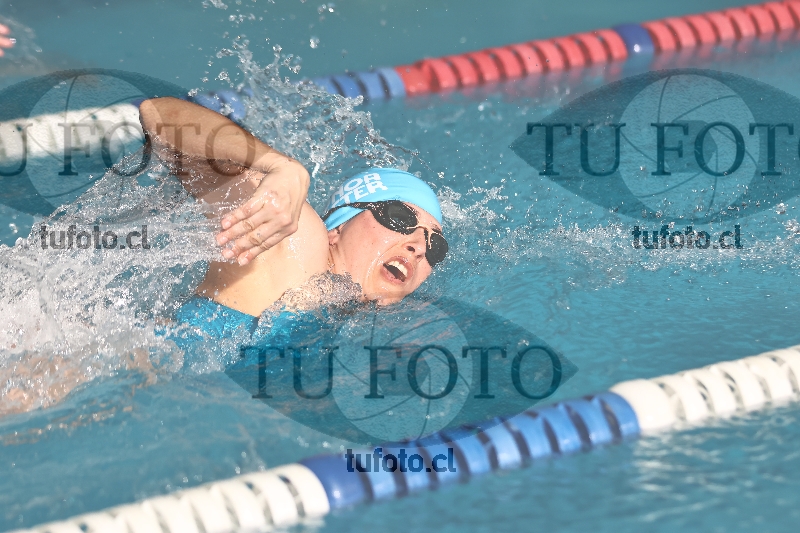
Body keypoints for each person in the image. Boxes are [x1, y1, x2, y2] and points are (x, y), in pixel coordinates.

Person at [138, 97, 447, 337]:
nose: (419, 246)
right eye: (399, 218)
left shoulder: (349, 322)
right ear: (337, 229)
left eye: (436, 246)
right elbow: (159, 113)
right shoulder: (297, 238)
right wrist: (280, 166)